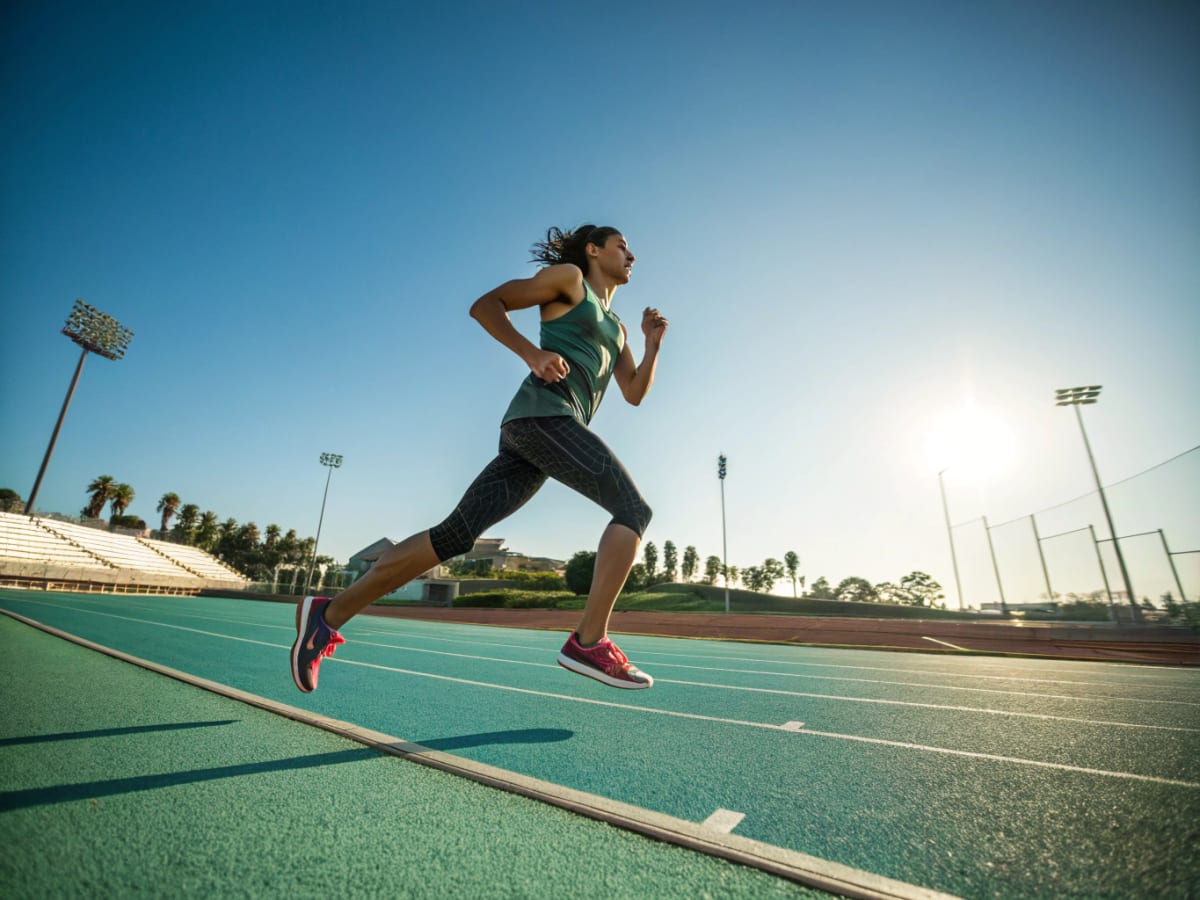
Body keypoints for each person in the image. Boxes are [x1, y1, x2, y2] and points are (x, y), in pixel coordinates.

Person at [291, 224, 668, 694]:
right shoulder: (570, 280)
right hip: (542, 419)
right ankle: (588, 642)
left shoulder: (618, 328)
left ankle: (326, 615)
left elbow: (632, 392)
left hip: (538, 437)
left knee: (454, 535)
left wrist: (652, 347)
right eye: (621, 246)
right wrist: (532, 354)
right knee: (633, 511)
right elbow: (485, 306)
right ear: (594, 250)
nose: (631, 255)